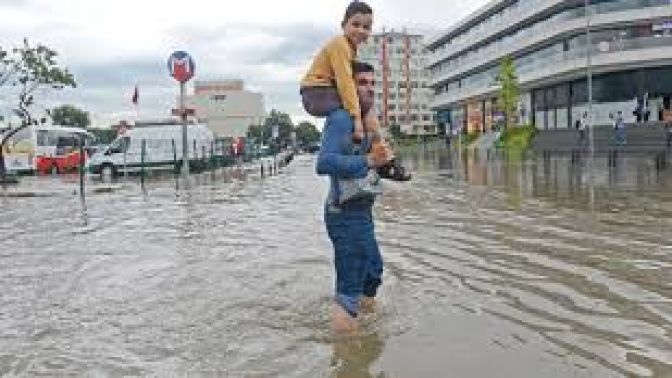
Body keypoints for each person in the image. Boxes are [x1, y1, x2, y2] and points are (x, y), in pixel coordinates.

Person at [316, 61, 393, 334]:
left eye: (373, 84)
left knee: (373, 272)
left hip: (362, 211)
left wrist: (386, 164)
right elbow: (323, 163)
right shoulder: (340, 119)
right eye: (362, 83)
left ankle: (364, 332)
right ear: (347, 86)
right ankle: (349, 356)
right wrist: (369, 159)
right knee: (349, 288)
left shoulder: (368, 122)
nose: (370, 89)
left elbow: (370, 164)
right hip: (344, 214)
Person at [300, 1, 374, 143]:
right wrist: (357, 119)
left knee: (364, 99)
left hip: (319, 93)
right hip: (316, 93)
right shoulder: (340, 45)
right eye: (355, 24)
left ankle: (372, 143)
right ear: (343, 25)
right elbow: (345, 83)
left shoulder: (350, 49)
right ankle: (372, 144)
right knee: (363, 101)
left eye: (366, 27)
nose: (361, 30)